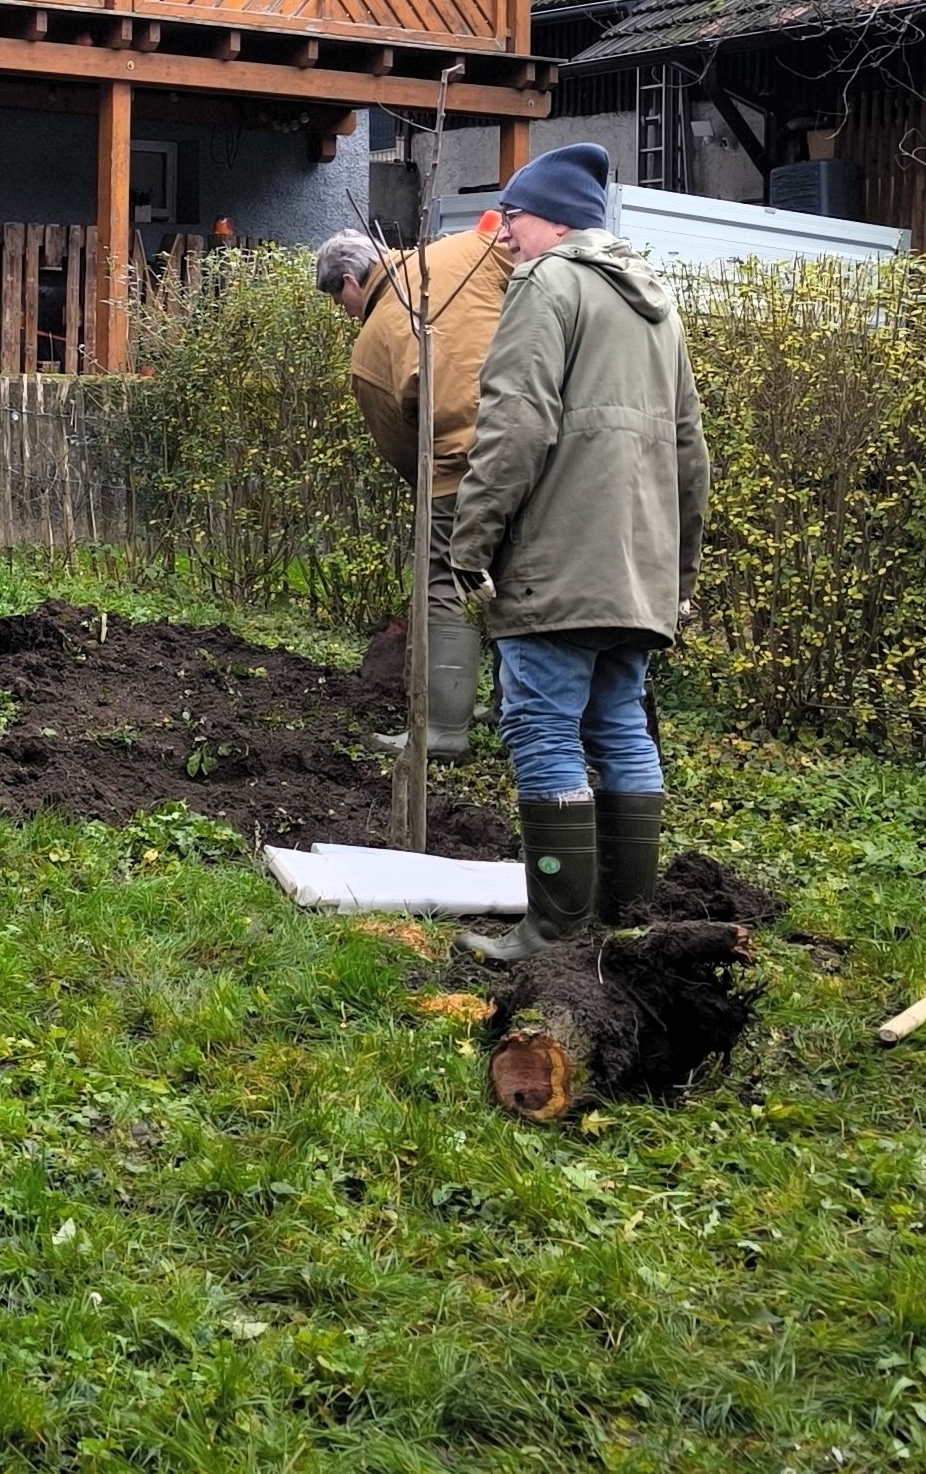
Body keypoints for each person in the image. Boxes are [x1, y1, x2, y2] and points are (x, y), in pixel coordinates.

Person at [448, 142, 710, 961]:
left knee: (540, 725)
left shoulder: (546, 284)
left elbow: (515, 422)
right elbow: (690, 450)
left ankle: (555, 930)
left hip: (558, 562)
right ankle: (625, 922)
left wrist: (470, 541)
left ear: (554, 220)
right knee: (620, 725)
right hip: (638, 570)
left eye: (512, 217)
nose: (502, 235)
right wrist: (678, 573)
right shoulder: (654, 303)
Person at [315, 220, 511, 761]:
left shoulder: (371, 346)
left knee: (445, 581)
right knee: (520, 578)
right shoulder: (466, 251)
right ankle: (513, 711)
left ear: (350, 283)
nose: (345, 314)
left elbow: (404, 451)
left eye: (339, 302)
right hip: (533, 445)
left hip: (455, 468)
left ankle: (443, 732)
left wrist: (434, 497)